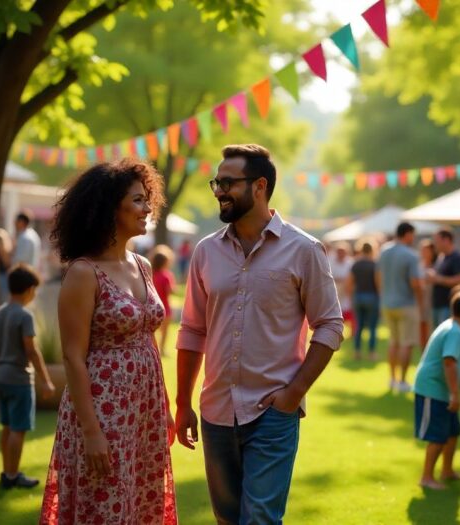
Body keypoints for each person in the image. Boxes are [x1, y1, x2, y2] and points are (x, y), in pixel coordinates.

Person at [175, 144, 343, 525]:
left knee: (260, 519)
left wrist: (293, 395)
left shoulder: (304, 250)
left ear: (260, 186)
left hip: (272, 412)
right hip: (216, 411)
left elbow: (330, 325)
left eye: (228, 182)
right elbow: (192, 330)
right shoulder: (205, 252)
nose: (218, 190)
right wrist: (183, 402)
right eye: (216, 182)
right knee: (229, 519)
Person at [40, 159, 177, 524]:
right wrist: (91, 430)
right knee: (104, 505)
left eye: (148, 199)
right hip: (103, 410)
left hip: (143, 409)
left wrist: (162, 408)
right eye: (137, 200)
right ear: (108, 207)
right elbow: (72, 357)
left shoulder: (143, 265)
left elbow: (148, 344)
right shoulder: (84, 273)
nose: (148, 208)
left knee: (141, 502)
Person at [0, 264, 55, 489]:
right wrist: (45, 380)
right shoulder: (25, 315)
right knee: (18, 429)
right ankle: (13, 474)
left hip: (1, 376)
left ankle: (7, 472)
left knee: (7, 427)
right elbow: (31, 349)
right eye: (34, 290)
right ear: (28, 290)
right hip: (19, 379)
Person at [413, 290, 460, 490]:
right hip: (433, 389)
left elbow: (451, 360)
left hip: (441, 388)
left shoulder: (453, 326)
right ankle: (426, 477)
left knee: (452, 432)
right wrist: (455, 393)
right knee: (437, 435)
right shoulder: (455, 332)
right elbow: (448, 362)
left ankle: (447, 470)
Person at [377, 222, 424, 393]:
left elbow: (378, 276)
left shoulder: (384, 251)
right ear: (407, 234)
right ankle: (403, 381)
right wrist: (420, 303)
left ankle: (392, 379)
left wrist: (383, 295)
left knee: (394, 342)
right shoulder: (411, 255)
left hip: (388, 303)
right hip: (406, 303)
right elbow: (415, 283)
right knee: (407, 343)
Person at [347, 240, 380, 360]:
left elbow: (349, 283)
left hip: (358, 297)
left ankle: (357, 351)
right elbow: (378, 283)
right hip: (372, 297)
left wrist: (351, 298)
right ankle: (371, 352)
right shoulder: (374, 264)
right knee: (372, 327)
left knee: (359, 326)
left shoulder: (356, 264)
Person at [428, 229, 460, 326]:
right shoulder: (441, 257)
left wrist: (438, 279)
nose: (435, 244)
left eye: (437, 241)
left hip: (448, 305)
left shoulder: (458, 258)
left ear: (446, 240)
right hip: (437, 304)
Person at [150, 244, 177, 357]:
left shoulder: (150, 274)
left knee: (152, 331)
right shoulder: (167, 275)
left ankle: (153, 348)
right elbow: (170, 291)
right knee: (164, 331)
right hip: (165, 307)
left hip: (152, 307)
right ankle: (162, 349)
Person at [330, 241, 355, 337]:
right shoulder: (331, 262)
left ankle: (352, 333)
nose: (340, 254)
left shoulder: (350, 262)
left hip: (347, 290)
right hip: (335, 290)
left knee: (349, 309)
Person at [418, 239, 436, 347]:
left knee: (430, 326)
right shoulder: (418, 266)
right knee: (421, 326)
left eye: (426, 250)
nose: (424, 253)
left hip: (431, 299)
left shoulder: (436, 266)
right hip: (421, 299)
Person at [0, 228, 13, 304]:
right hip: (2, 276)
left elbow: (6, 263)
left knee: (1, 299)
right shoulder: (6, 250)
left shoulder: (3, 251)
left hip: (2, 275)